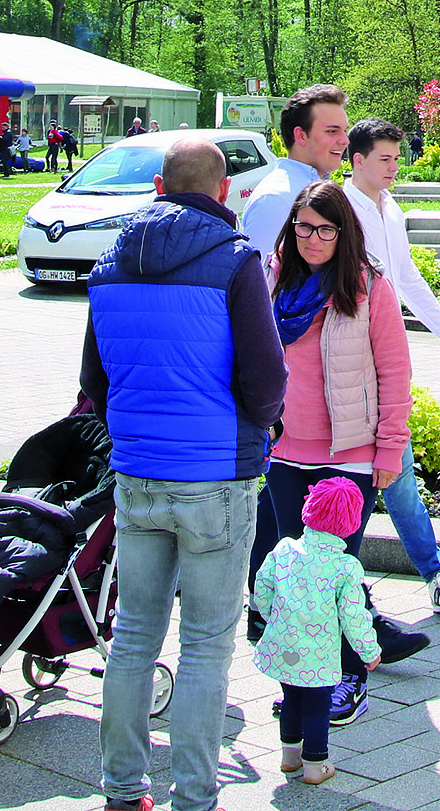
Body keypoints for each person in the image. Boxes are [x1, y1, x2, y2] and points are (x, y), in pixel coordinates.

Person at [79, 135, 285, 811]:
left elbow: (94, 382)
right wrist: (260, 427)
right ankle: (194, 797)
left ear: (160, 188)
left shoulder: (109, 263)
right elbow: (265, 377)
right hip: (217, 478)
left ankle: (121, 788)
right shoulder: (235, 262)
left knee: (133, 635)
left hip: (137, 473)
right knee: (204, 644)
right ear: (224, 192)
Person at [253, 179, 418, 727]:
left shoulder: (369, 287)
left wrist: (389, 450)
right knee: (295, 573)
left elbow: (395, 373)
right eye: (303, 227)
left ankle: (349, 676)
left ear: (344, 231)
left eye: (325, 229)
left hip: (348, 455)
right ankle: (301, 676)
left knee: (333, 574)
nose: (313, 238)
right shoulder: (273, 280)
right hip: (284, 452)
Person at [343, 118, 440, 615]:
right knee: (373, 477)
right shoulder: (337, 209)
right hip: (346, 367)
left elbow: (408, 279)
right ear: (355, 160)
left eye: (397, 158)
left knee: (393, 470)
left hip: (388, 361)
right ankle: (366, 586)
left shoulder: (390, 208)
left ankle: (433, 576)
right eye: (385, 159)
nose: (394, 167)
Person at [255, 477, 384, 788]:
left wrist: (272, 614)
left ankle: (290, 756)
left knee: (290, 698)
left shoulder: (285, 549)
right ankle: (316, 764)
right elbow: (354, 616)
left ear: (308, 509)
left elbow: (262, 587)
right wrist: (370, 651)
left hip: (284, 646)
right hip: (319, 655)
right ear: (352, 523)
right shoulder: (345, 567)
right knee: (317, 705)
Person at [241, 83, 350, 260]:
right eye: (332, 131)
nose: (345, 140)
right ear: (301, 135)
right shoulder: (275, 199)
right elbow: (264, 281)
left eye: (344, 131)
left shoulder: (314, 189)